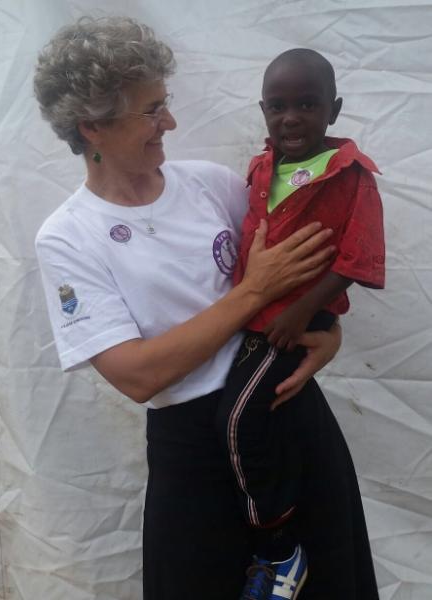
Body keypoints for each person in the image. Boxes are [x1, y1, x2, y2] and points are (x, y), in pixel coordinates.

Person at [32, 17, 360, 600]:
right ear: (93, 126)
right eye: (151, 111)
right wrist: (251, 294)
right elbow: (138, 374)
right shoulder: (68, 236)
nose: (171, 123)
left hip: (286, 413)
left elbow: (304, 268)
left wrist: (328, 332)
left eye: (166, 104)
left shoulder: (213, 185)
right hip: (191, 449)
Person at [216, 48, 384, 599]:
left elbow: (358, 259)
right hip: (253, 321)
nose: (291, 118)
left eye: (307, 104)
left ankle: (279, 544)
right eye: (278, 106)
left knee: (238, 420)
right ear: (262, 110)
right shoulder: (263, 167)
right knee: (264, 423)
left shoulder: (351, 176)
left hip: (287, 326)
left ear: (333, 109)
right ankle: (273, 529)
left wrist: (301, 311)